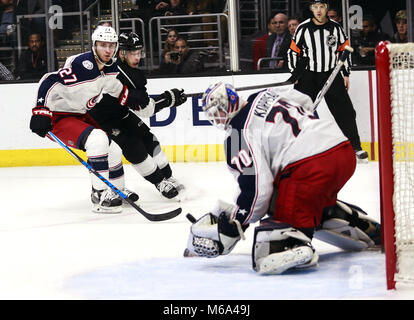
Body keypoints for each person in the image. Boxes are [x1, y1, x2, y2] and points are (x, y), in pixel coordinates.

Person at [184, 82, 381, 274]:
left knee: (269, 243)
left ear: (230, 102)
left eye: (218, 110)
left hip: (311, 168)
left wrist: (237, 223)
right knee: (304, 200)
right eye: (212, 114)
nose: (217, 117)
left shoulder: (237, 135)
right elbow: (304, 100)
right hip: (342, 150)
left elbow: (257, 191)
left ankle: (296, 244)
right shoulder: (265, 93)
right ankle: (363, 227)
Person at [29, 26, 147, 213]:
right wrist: (40, 110)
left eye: (111, 45)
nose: (107, 50)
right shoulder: (83, 65)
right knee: (98, 139)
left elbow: (112, 86)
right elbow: (49, 80)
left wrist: (130, 97)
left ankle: (117, 191)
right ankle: (99, 195)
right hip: (59, 115)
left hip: (79, 114)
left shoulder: (109, 66)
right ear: (94, 46)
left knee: (114, 149)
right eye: (102, 45)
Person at [88, 32, 187, 199]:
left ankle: (167, 177)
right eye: (133, 53)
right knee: (133, 147)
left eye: (139, 52)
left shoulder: (129, 71)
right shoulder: (123, 73)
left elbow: (140, 104)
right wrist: (167, 100)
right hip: (102, 120)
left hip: (121, 113)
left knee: (149, 139)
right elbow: (145, 110)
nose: (137, 57)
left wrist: (165, 99)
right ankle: (159, 182)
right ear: (122, 53)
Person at [287, 0, 368, 162]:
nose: (318, 10)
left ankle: (355, 147)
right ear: (311, 9)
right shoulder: (303, 28)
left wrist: (346, 74)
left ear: (326, 9)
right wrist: (295, 75)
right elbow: (293, 52)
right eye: (315, 7)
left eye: (322, 7)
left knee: (345, 111)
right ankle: (294, 148)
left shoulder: (336, 28)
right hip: (308, 75)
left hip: (331, 74)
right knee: (300, 112)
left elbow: (345, 50)